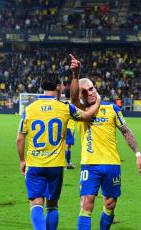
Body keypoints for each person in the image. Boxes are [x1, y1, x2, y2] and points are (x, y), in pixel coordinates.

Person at [69, 54, 141, 230]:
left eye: (92, 88)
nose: (90, 92)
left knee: (110, 204)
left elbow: (126, 131)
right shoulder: (81, 111)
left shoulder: (112, 109)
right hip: (90, 165)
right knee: (87, 203)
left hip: (112, 164)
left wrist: (138, 154)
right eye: (85, 91)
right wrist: (75, 75)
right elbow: (73, 99)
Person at [16, 73, 101, 230]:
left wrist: (22, 160)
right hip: (56, 165)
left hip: (35, 164)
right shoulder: (64, 108)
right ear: (57, 86)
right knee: (52, 206)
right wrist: (98, 102)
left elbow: (20, 139)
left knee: (36, 204)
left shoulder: (29, 109)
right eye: (61, 86)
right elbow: (88, 116)